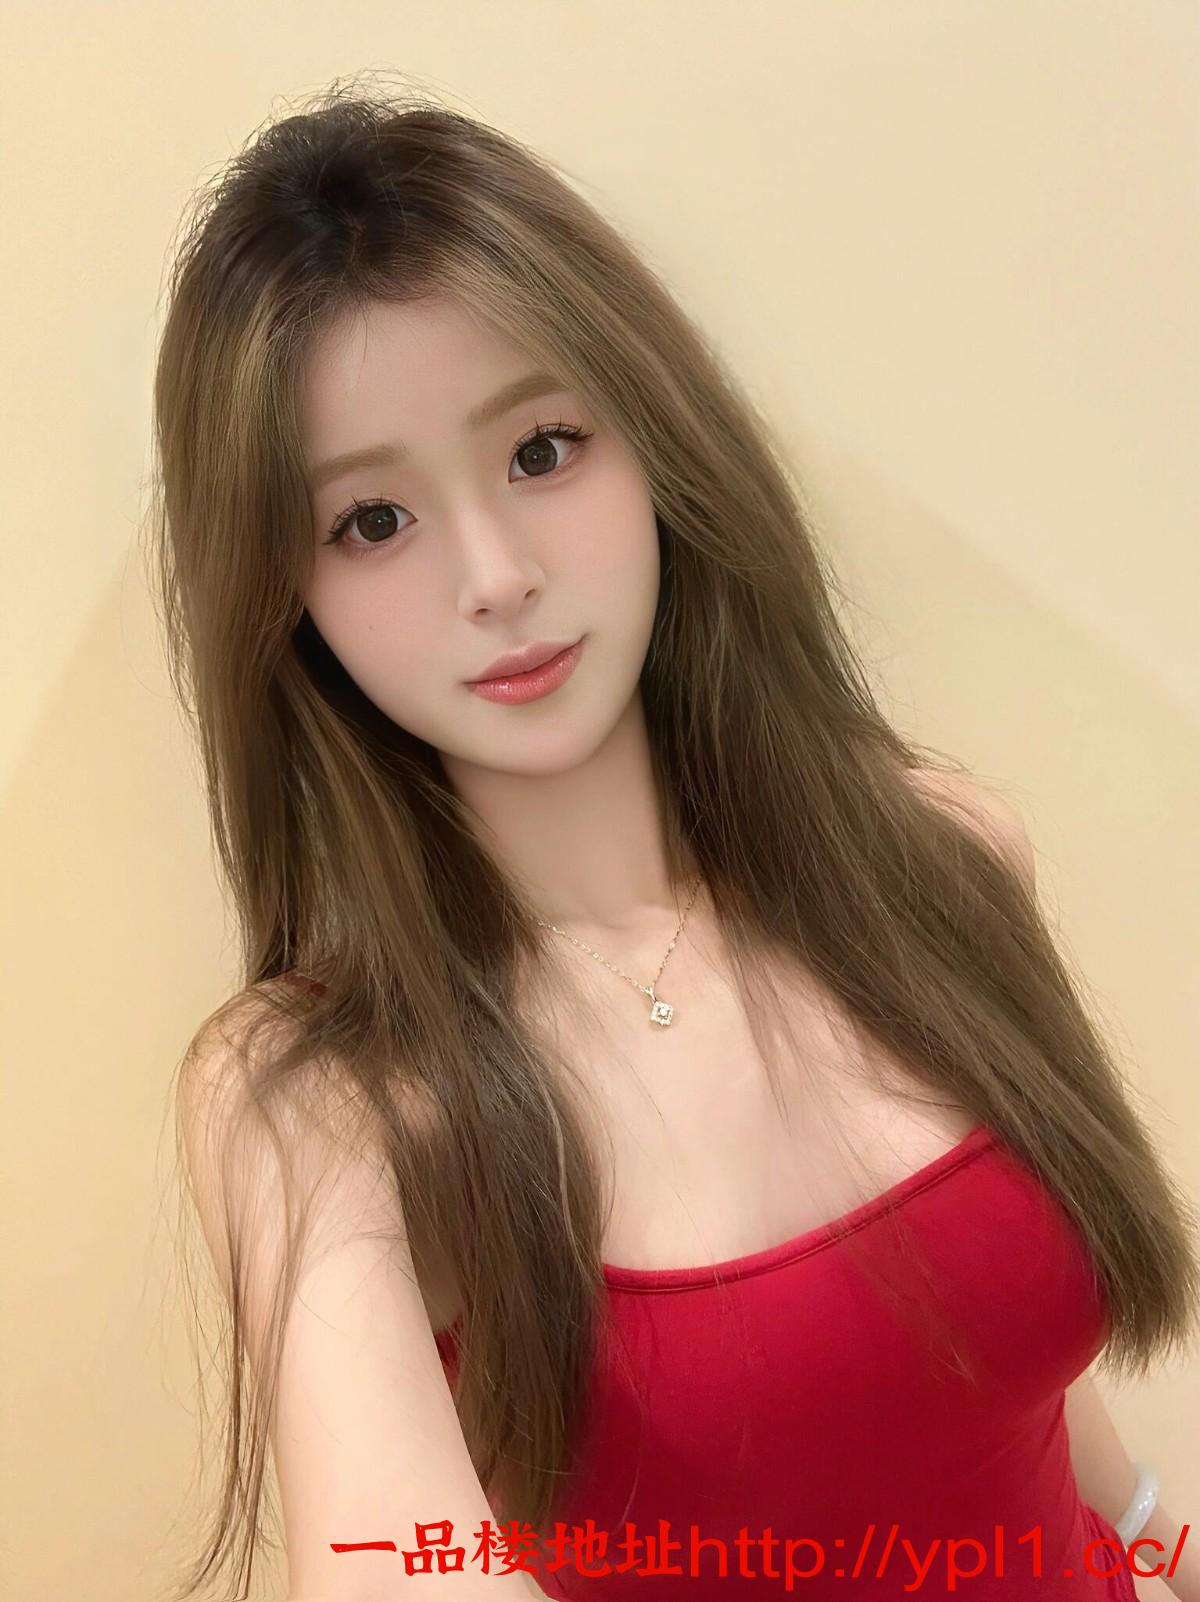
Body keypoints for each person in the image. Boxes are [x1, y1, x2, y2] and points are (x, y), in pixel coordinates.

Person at [153, 75, 1199, 1602]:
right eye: (371, 521)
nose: (495, 574)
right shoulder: (322, 1100)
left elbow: (1025, 1406)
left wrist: (1169, 1546)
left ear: (656, 441)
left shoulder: (945, 859)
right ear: (283, 598)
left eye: (541, 448)